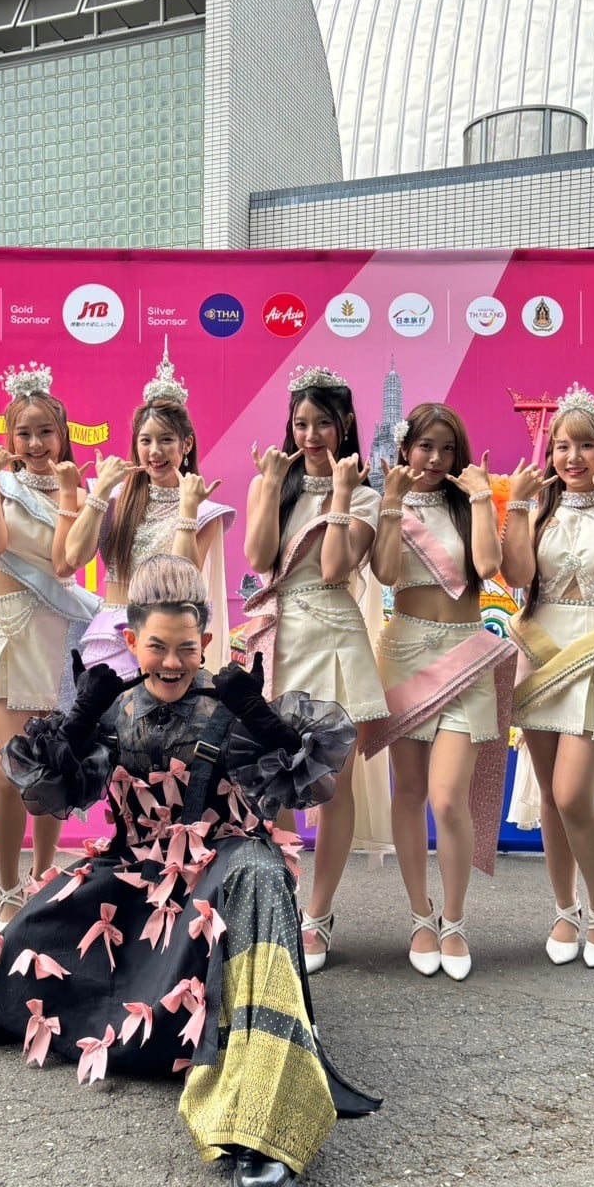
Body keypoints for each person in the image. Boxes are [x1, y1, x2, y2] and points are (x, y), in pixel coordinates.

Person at [0, 556, 378, 1187]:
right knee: (26, 941)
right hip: (136, 877)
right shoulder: (114, 708)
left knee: (259, 876)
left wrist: (262, 719)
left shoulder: (229, 704)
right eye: (157, 646)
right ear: (131, 642)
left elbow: (310, 780)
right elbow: (49, 789)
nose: (173, 661)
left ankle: (263, 1127)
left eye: (187, 647)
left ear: (205, 643)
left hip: (227, 863)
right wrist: (80, 719)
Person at [501, 386, 594, 970]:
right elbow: (517, 577)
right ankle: (564, 910)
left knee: (573, 795)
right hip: (541, 653)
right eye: (562, 445)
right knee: (550, 797)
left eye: (586, 445)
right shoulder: (540, 508)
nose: (573, 457)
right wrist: (517, 508)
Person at [243, 365, 390, 974]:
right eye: (300, 424)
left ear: (345, 424)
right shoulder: (275, 483)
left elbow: (333, 569)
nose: (309, 436)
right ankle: (279, 903)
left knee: (331, 787)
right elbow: (257, 557)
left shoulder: (367, 495)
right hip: (278, 642)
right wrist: (268, 485)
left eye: (322, 424)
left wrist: (340, 495)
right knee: (273, 782)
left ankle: (319, 914)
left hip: (334, 639)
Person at [367, 404, 516, 980]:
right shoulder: (393, 502)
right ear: (405, 449)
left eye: (447, 448)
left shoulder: (470, 501)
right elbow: (384, 573)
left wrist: (479, 498)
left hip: (464, 654)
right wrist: (389, 503)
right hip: (404, 652)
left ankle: (454, 919)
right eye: (425, 446)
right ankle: (420, 916)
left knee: (448, 798)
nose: (435, 458)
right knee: (408, 792)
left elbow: (489, 566)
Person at [0, 362, 100, 932]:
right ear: (9, 436)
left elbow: (68, 564)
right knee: (9, 769)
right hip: (10, 635)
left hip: (60, 634)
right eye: (24, 433)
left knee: (52, 765)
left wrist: (69, 493)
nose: (36, 443)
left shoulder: (80, 491)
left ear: (62, 434)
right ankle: (7, 887)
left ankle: (44, 877)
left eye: (46, 431)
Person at [63, 339, 234, 676]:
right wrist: (100, 493)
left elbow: (183, 582)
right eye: (146, 440)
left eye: (166, 440)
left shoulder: (204, 511)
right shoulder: (114, 498)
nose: (155, 451)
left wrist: (188, 510)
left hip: (167, 644)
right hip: (112, 636)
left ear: (186, 444)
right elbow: (73, 558)